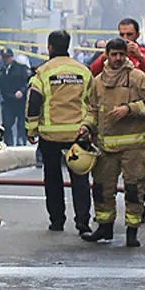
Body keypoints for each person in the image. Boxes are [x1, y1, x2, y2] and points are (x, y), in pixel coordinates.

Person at [78, 38, 145, 248]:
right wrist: (86, 128)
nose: (117, 59)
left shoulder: (138, 78)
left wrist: (129, 109)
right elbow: (92, 110)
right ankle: (104, 227)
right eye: (113, 54)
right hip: (106, 148)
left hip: (134, 148)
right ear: (106, 55)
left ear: (126, 56)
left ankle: (132, 232)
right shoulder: (97, 82)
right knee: (101, 189)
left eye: (121, 55)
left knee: (134, 190)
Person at [24, 30, 93, 234]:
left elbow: (34, 102)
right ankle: (83, 222)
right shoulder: (83, 71)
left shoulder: (43, 72)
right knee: (80, 179)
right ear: (68, 46)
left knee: (53, 180)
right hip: (78, 136)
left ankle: (57, 221)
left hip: (50, 136)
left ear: (50, 47)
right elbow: (93, 102)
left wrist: (31, 130)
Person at [0, 47, 30, 146]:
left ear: (12, 57)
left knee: (21, 125)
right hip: (8, 101)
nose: (6, 60)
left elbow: (28, 82)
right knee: (7, 124)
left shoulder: (21, 68)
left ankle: (21, 143)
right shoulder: (2, 70)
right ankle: (9, 144)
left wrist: (22, 91)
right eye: (4, 57)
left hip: (20, 102)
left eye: (7, 57)